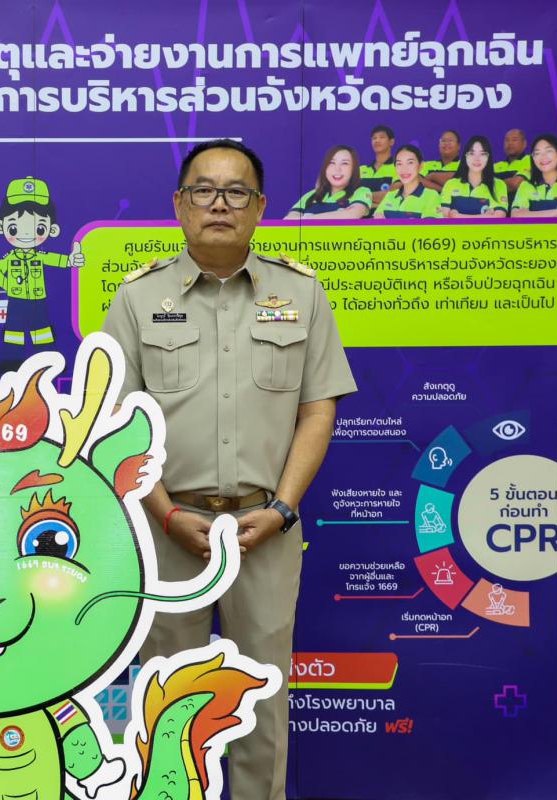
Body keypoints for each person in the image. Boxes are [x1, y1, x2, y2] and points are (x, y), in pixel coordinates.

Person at [102, 139, 356, 799]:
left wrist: (283, 509)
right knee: (166, 702)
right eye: (204, 190)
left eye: (236, 191)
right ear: (179, 204)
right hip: (166, 530)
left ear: (260, 207)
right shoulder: (136, 297)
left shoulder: (301, 292)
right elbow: (116, 422)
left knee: (262, 699)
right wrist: (164, 513)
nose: (220, 204)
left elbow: (317, 411)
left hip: (264, 529)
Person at [0, 176, 85, 373]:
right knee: (13, 332)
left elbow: (57, 260)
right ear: (0, 227)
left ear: (53, 229)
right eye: (14, 227)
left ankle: (49, 362)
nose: (26, 234)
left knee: (42, 331)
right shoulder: (9, 258)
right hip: (16, 300)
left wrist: (72, 260)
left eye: (39, 227)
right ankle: (11, 362)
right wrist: (10, 287)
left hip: (37, 299)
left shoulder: (40, 256)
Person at [284, 145, 372, 219]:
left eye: (344, 163)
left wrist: (307, 218)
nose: (337, 169)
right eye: (332, 163)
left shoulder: (361, 192)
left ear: (353, 169)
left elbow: (352, 214)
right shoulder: (311, 195)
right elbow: (289, 219)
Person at [439, 135, 509, 217]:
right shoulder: (451, 184)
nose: (477, 158)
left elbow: (499, 216)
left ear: (488, 157)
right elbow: (444, 215)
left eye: (482, 154)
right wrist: (484, 216)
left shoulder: (499, 185)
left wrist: (457, 216)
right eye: (472, 153)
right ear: (465, 156)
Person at [374, 145, 442, 219]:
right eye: (399, 164)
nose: (404, 169)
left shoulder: (431, 196)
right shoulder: (390, 196)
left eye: (410, 163)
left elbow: (430, 225)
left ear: (421, 166)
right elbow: (377, 222)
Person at [359, 124, 397, 207]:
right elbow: (351, 195)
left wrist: (363, 198)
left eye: (382, 137)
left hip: (386, 214)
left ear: (391, 142)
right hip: (360, 214)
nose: (377, 140)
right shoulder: (361, 169)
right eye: (374, 138)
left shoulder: (398, 168)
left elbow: (395, 195)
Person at [494, 128, 531, 192]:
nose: (510, 143)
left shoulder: (530, 161)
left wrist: (492, 186)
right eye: (507, 140)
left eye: (514, 140)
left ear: (524, 144)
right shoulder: (495, 166)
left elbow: (514, 184)